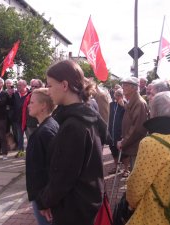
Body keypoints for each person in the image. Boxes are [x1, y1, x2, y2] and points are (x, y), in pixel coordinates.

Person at [36, 60, 107, 225]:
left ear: (64, 85)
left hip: (74, 208)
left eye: (50, 85)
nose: (48, 90)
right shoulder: (84, 116)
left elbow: (64, 175)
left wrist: (44, 200)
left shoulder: (74, 125)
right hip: (82, 203)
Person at [126, 91, 170, 225]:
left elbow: (136, 186)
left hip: (156, 215)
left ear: (155, 112)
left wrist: (130, 204)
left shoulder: (150, 143)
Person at [25, 88, 59, 225]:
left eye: (32, 102)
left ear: (43, 106)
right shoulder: (50, 125)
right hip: (45, 196)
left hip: (44, 198)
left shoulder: (44, 132)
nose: (28, 105)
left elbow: (42, 172)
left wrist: (43, 203)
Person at [117, 76, 148, 177]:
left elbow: (137, 128)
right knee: (134, 173)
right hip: (133, 145)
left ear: (134, 88)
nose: (123, 88)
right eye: (123, 85)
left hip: (136, 146)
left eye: (126, 85)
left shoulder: (138, 103)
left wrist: (124, 141)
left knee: (137, 175)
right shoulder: (132, 101)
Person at [108, 88, 126, 174]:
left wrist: (124, 106)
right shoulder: (111, 104)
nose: (117, 97)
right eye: (116, 95)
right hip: (112, 131)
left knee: (124, 152)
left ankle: (126, 169)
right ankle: (116, 167)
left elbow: (129, 115)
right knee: (113, 149)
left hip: (121, 132)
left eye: (119, 95)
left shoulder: (126, 105)